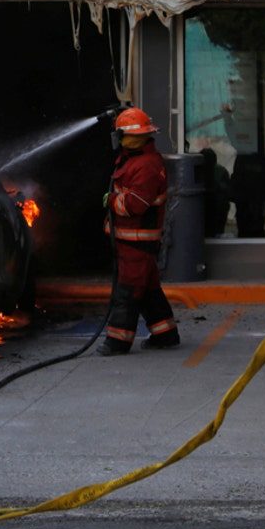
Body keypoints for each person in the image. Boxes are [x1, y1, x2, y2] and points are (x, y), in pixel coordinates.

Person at [96, 107, 181, 356]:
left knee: (128, 291)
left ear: (130, 136)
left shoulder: (146, 166)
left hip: (137, 241)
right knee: (148, 290)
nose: (119, 140)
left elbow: (136, 204)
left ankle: (117, 341)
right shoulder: (134, 159)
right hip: (130, 240)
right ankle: (166, 334)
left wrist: (111, 200)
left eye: (121, 135)